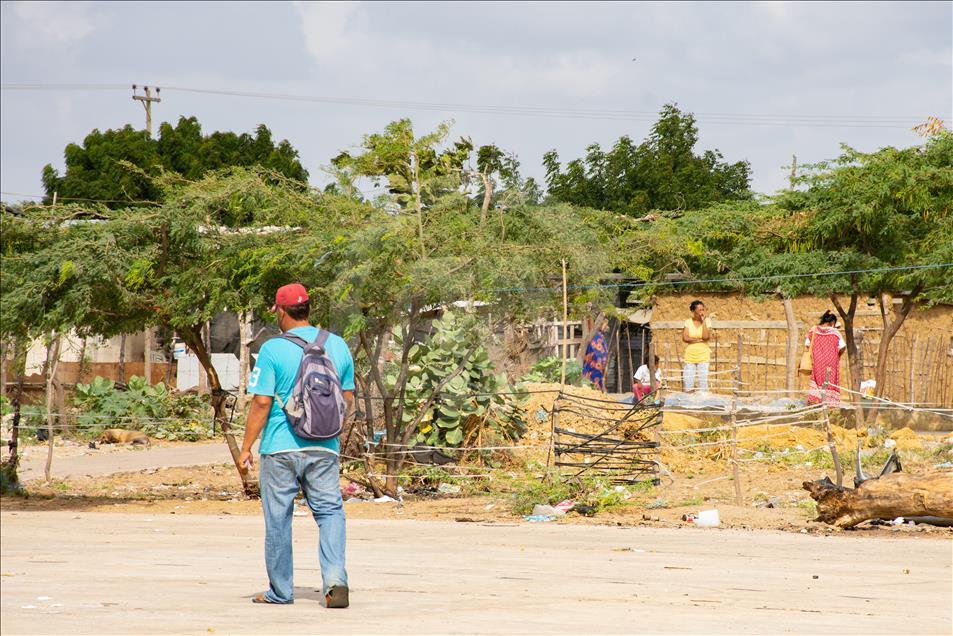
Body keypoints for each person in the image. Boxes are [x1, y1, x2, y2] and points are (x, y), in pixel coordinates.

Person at [239, 283, 355, 607]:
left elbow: (261, 403)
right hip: (324, 446)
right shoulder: (339, 345)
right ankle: (334, 580)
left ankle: (280, 591)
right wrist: (329, 431)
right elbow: (347, 399)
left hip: (279, 447)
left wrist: (246, 447)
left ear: (280, 311)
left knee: (278, 518)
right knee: (330, 512)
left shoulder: (273, 349)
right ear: (308, 309)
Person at [806, 310, 846, 406]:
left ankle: (816, 402)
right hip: (831, 363)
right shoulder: (835, 332)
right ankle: (829, 405)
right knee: (830, 383)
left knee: (817, 381)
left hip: (817, 362)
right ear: (832, 322)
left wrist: (814, 353)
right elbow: (843, 346)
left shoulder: (813, 330)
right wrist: (837, 355)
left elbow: (807, 344)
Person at [681, 300, 712, 392]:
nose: (702, 312)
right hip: (690, 355)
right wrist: (699, 340)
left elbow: (706, 337)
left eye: (703, 310)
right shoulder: (688, 322)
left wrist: (703, 322)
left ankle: (703, 401)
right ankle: (689, 401)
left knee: (703, 381)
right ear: (693, 311)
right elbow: (685, 338)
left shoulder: (707, 321)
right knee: (688, 380)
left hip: (703, 355)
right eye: (699, 310)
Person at [582, 320, 609, 391]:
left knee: (597, 376)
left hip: (599, 363)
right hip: (595, 362)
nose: (607, 327)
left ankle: (598, 389)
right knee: (593, 376)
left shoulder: (600, 336)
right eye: (605, 325)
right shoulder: (594, 334)